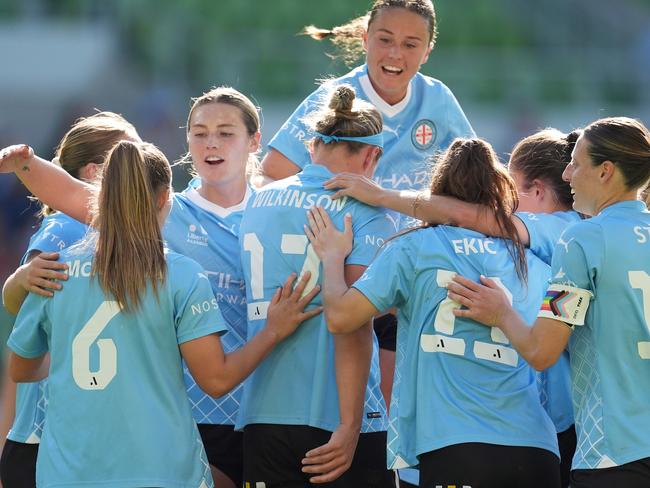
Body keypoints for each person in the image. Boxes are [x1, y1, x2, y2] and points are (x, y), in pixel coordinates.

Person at [2, 140, 321, 487]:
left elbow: (21, 369)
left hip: (68, 471)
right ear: (164, 198)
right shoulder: (181, 274)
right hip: (162, 469)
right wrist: (273, 330)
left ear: (100, 198)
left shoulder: (55, 271)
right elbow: (216, 380)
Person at [325, 127, 581, 487]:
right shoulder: (550, 264)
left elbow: (340, 317)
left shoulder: (413, 249)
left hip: (454, 444)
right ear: (498, 191)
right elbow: (558, 329)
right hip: (539, 445)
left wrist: (331, 257)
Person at [262, 0, 475, 419]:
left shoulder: (440, 102)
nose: (395, 54)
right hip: (341, 281)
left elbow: (476, 191)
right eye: (385, 40)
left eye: (410, 44)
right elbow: (272, 177)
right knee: (346, 417)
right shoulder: (334, 98)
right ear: (364, 40)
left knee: (397, 421)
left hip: (410, 285)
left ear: (428, 49)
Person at [447, 117, 650, 488]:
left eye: (575, 162)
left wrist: (502, 313)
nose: (568, 174)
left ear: (605, 171)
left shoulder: (583, 240)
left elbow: (542, 351)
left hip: (613, 454)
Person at [238, 85, 395, 487]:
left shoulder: (256, 201)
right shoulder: (365, 212)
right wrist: (350, 424)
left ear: (313, 147)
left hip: (264, 409)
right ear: (371, 155)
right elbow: (354, 324)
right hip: (335, 413)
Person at [0, 111, 139, 488]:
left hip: (86, 430)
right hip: (51, 433)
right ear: (94, 173)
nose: (140, 166)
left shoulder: (123, 228)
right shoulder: (65, 226)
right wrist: (20, 280)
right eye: (131, 155)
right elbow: (27, 327)